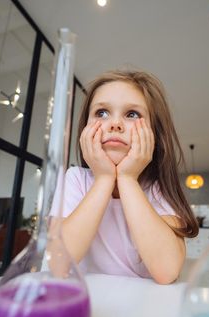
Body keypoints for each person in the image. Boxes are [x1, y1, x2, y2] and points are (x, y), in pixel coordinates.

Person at [50, 69, 199, 284]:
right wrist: (103, 179)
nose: (115, 124)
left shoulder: (158, 189)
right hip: (87, 302)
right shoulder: (75, 179)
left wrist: (128, 179)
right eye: (101, 113)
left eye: (132, 114)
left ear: (154, 134)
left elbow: (167, 272)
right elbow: (58, 263)